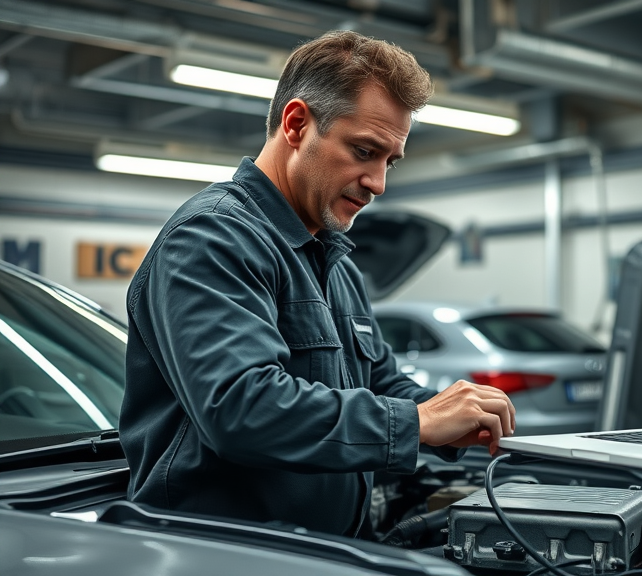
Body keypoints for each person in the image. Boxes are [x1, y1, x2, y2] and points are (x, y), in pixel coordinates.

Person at [119, 30, 516, 538]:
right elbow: (243, 408)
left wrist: (459, 413)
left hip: (321, 549)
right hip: (222, 553)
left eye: (388, 161)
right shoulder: (213, 238)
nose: (379, 183)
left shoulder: (333, 259)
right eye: (364, 151)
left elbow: (380, 382)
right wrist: (414, 424)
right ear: (297, 124)